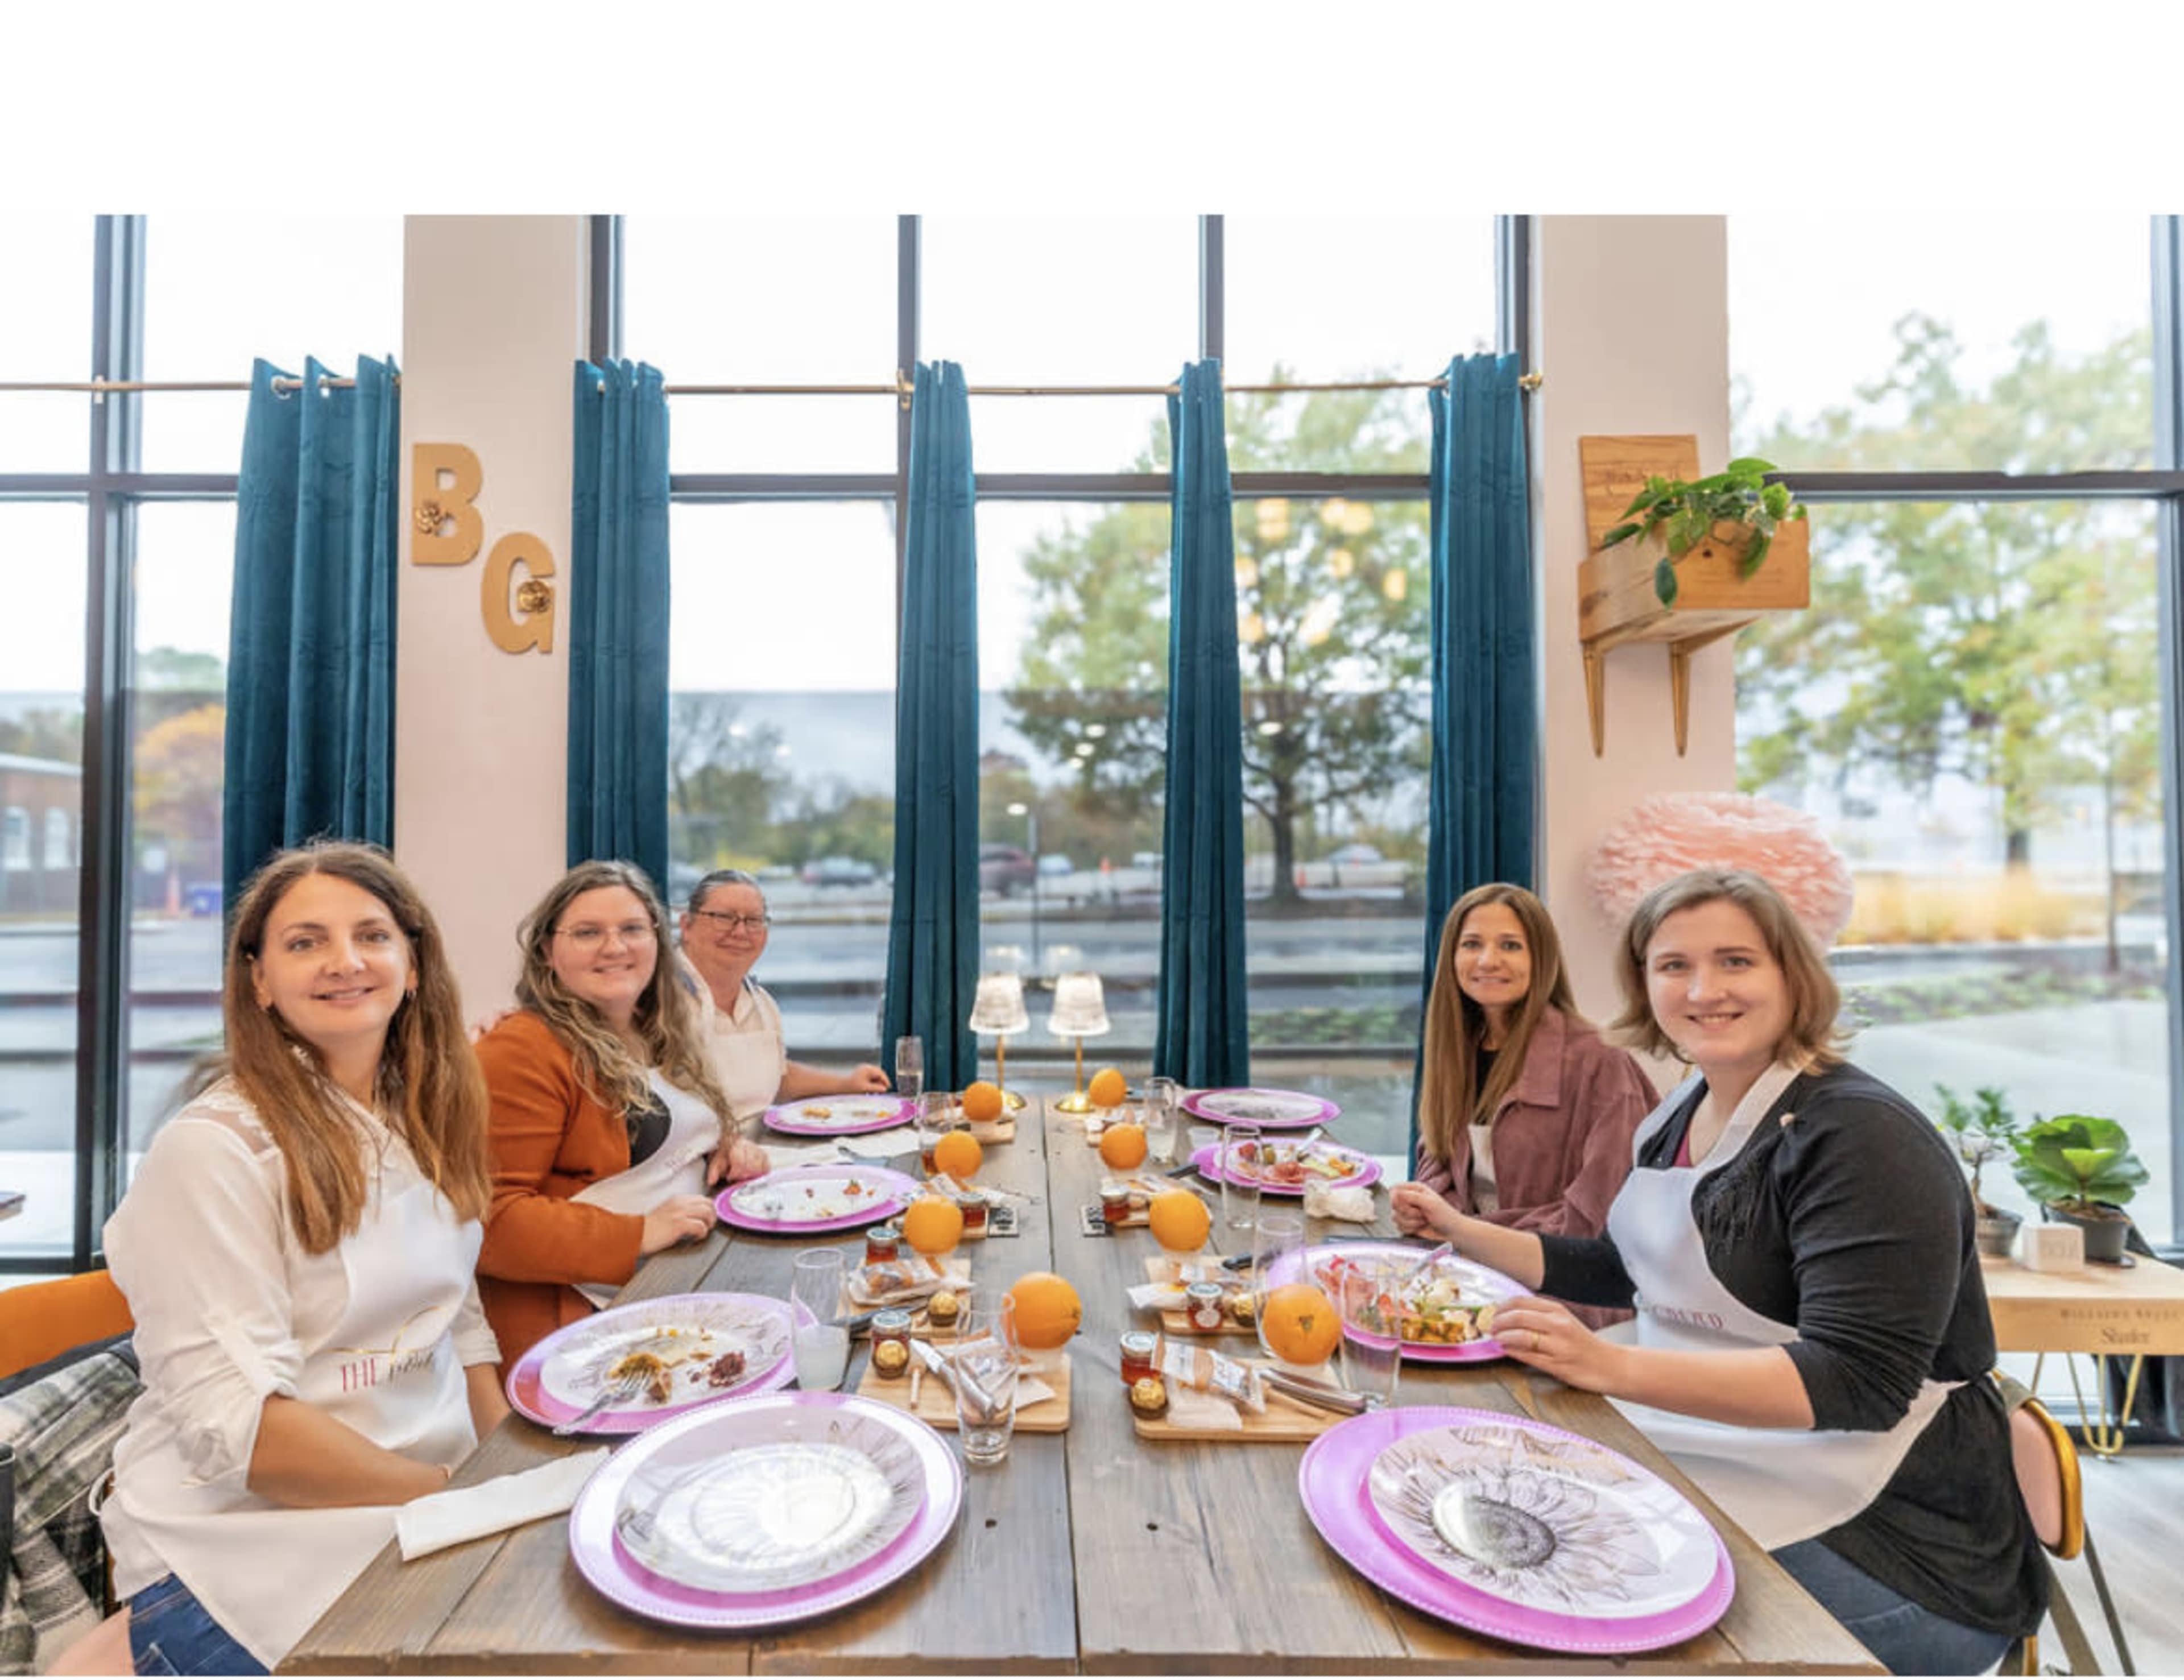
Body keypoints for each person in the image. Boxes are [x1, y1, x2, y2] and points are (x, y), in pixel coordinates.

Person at [1397, 868, 2045, 1674]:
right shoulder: (1683, 1109)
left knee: (1560, 1632)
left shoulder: (1862, 1137)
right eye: (1673, 966)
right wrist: (1463, 1231)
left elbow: (1860, 1381)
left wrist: (1608, 1365)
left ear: (1792, 975)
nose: (1704, 989)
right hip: (1729, 1462)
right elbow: (1625, 1269)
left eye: (1736, 960)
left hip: (1897, 1548)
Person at [100, 842, 504, 1676]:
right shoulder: (215, 1151)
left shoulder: (421, 1111)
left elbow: (456, 1317)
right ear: (258, 980)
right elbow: (243, 1436)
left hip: (424, 1501)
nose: (345, 961)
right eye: (304, 941)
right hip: (242, 1550)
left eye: (372, 935)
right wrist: (462, 1499)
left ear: (414, 962)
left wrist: (506, 1474)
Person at [475, 861, 770, 1365]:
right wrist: (640, 1232)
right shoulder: (521, 1047)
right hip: (583, 1327)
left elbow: (671, 1136)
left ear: (657, 941)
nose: (615, 948)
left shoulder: (656, 1029)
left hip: (674, 1281)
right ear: (547, 949)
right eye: (588, 932)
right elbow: (488, 1223)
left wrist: (724, 1149)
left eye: (632, 929)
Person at [1392, 883, 1653, 1240]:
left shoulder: (1601, 1062)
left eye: (1510, 945)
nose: (1488, 960)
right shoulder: (1459, 1048)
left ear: (1541, 959)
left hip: (1556, 1282)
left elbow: (1602, 1213)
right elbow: (1438, 1161)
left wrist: (1467, 1231)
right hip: (1464, 1266)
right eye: (1471, 944)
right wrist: (1422, 1207)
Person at [677, 868, 888, 1125]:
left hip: (764, 1153)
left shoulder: (762, 1003)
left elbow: (778, 1078)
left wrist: (846, 1083)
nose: (741, 932)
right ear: (687, 925)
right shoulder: (659, 999)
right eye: (724, 917)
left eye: (753, 920)